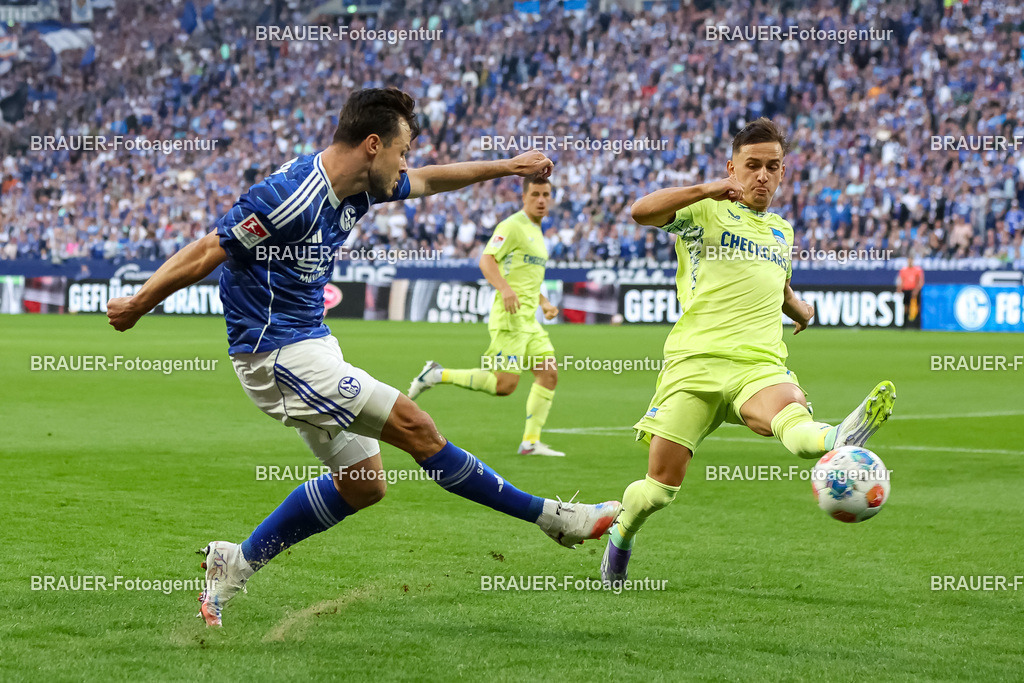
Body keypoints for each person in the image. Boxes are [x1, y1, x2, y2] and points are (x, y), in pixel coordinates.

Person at [105, 88, 620, 627]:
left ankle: (233, 561)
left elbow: (432, 179)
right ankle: (555, 517)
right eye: (402, 150)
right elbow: (209, 249)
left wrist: (506, 167)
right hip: (273, 353)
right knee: (417, 427)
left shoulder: (360, 187)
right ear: (373, 145)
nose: (406, 163)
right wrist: (140, 303)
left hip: (310, 341)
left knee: (364, 484)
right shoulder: (287, 195)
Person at [601, 118, 896, 585]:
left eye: (772, 167)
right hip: (693, 365)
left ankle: (837, 438)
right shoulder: (703, 210)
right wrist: (708, 189)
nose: (762, 175)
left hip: (757, 363)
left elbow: (776, 284)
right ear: (732, 167)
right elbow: (640, 211)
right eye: (751, 166)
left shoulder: (781, 231)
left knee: (794, 420)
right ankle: (622, 533)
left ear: (783, 172)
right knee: (659, 491)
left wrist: (800, 310)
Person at [408, 174, 564, 456]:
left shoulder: (538, 231)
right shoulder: (513, 226)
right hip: (510, 317)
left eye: (545, 195)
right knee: (504, 386)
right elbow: (486, 259)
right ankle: (436, 374)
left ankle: (530, 442)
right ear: (524, 197)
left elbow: (528, 278)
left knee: (548, 374)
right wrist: (504, 289)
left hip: (529, 319)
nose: (541, 200)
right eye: (535, 195)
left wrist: (544, 302)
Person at [897, 254, 924, 328]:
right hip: (906, 290)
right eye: (909, 260)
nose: (910, 262)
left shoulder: (917, 270)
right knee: (906, 307)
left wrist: (916, 290)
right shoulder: (903, 270)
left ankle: (916, 324)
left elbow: (920, 282)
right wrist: (899, 289)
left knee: (917, 306)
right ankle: (905, 324)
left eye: (911, 260)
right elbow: (900, 280)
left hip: (914, 290)